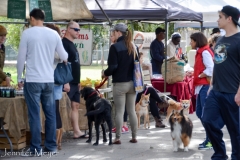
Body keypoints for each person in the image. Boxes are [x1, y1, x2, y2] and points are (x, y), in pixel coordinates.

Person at [17, 8, 68, 156]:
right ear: (43, 19)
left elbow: (21, 58)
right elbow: (64, 55)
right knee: (50, 114)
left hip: (33, 79)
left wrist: (20, 77)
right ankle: (51, 147)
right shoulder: (53, 34)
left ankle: (35, 149)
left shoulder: (27, 33)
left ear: (32, 18)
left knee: (34, 115)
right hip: (49, 80)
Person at [202, 5, 240, 160]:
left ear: (229, 18)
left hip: (233, 92)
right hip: (216, 91)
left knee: (235, 130)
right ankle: (219, 155)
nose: (217, 20)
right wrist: (211, 85)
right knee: (207, 120)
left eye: (220, 17)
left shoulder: (239, 40)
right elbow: (218, 64)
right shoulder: (220, 40)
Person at [102, 23, 138, 144]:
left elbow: (112, 67)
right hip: (133, 83)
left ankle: (117, 137)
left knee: (119, 111)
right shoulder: (134, 46)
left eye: (114, 32)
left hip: (120, 84)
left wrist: (105, 73)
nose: (113, 34)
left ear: (118, 32)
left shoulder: (115, 47)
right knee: (132, 111)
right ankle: (134, 136)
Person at [45, 24, 70, 150]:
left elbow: (63, 58)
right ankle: (57, 141)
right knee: (55, 110)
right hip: (56, 82)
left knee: (52, 111)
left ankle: (54, 141)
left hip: (52, 81)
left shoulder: (53, 44)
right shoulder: (56, 43)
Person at [62, 21, 87, 139]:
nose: (78, 32)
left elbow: (75, 63)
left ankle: (76, 131)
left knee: (76, 105)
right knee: (64, 106)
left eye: (79, 30)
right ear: (69, 30)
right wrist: (66, 81)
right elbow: (63, 64)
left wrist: (78, 81)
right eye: (76, 30)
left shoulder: (72, 44)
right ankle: (61, 132)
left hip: (75, 81)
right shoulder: (64, 43)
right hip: (68, 81)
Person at [190, 32, 214, 150]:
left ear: (197, 41)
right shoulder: (201, 52)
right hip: (201, 87)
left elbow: (211, 68)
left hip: (205, 86)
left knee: (205, 114)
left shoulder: (204, 52)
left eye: (192, 41)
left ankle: (211, 139)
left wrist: (199, 76)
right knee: (200, 113)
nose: (190, 43)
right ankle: (210, 138)